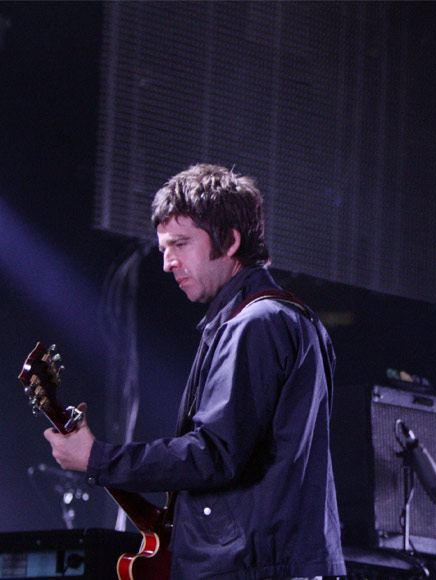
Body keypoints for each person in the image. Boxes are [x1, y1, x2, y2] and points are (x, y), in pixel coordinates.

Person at [44, 164, 346, 580]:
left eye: (181, 244)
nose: (168, 263)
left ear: (231, 241)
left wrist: (97, 458)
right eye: (164, 248)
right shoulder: (288, 318)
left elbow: (212, 455)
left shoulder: (255, 324)